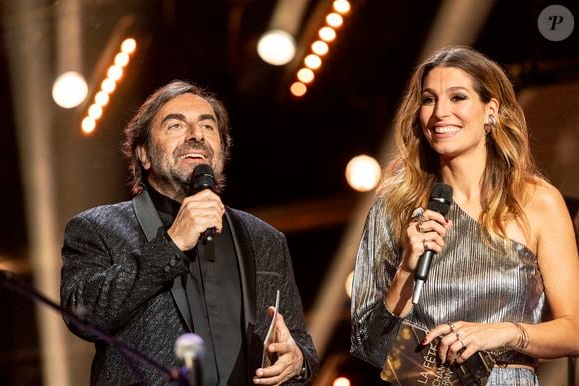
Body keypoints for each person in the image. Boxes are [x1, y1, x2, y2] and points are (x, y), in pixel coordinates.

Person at [60, 80, 318, 386]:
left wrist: (297, 361)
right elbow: (82, 315)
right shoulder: (98, 228)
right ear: (144, 154)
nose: (196, 135)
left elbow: (301, 346)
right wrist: (171, 245)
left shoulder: (265, 240)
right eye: (176, 125)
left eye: (208, 127)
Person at [350, 46, 579, 385]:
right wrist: (407, 270)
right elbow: (368, 344)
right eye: (429, 100)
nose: (440, 112)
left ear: (491, 111)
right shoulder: (395, 207)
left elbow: (574, 331)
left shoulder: (537, 202)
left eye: (457, 97)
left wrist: (503, 333)